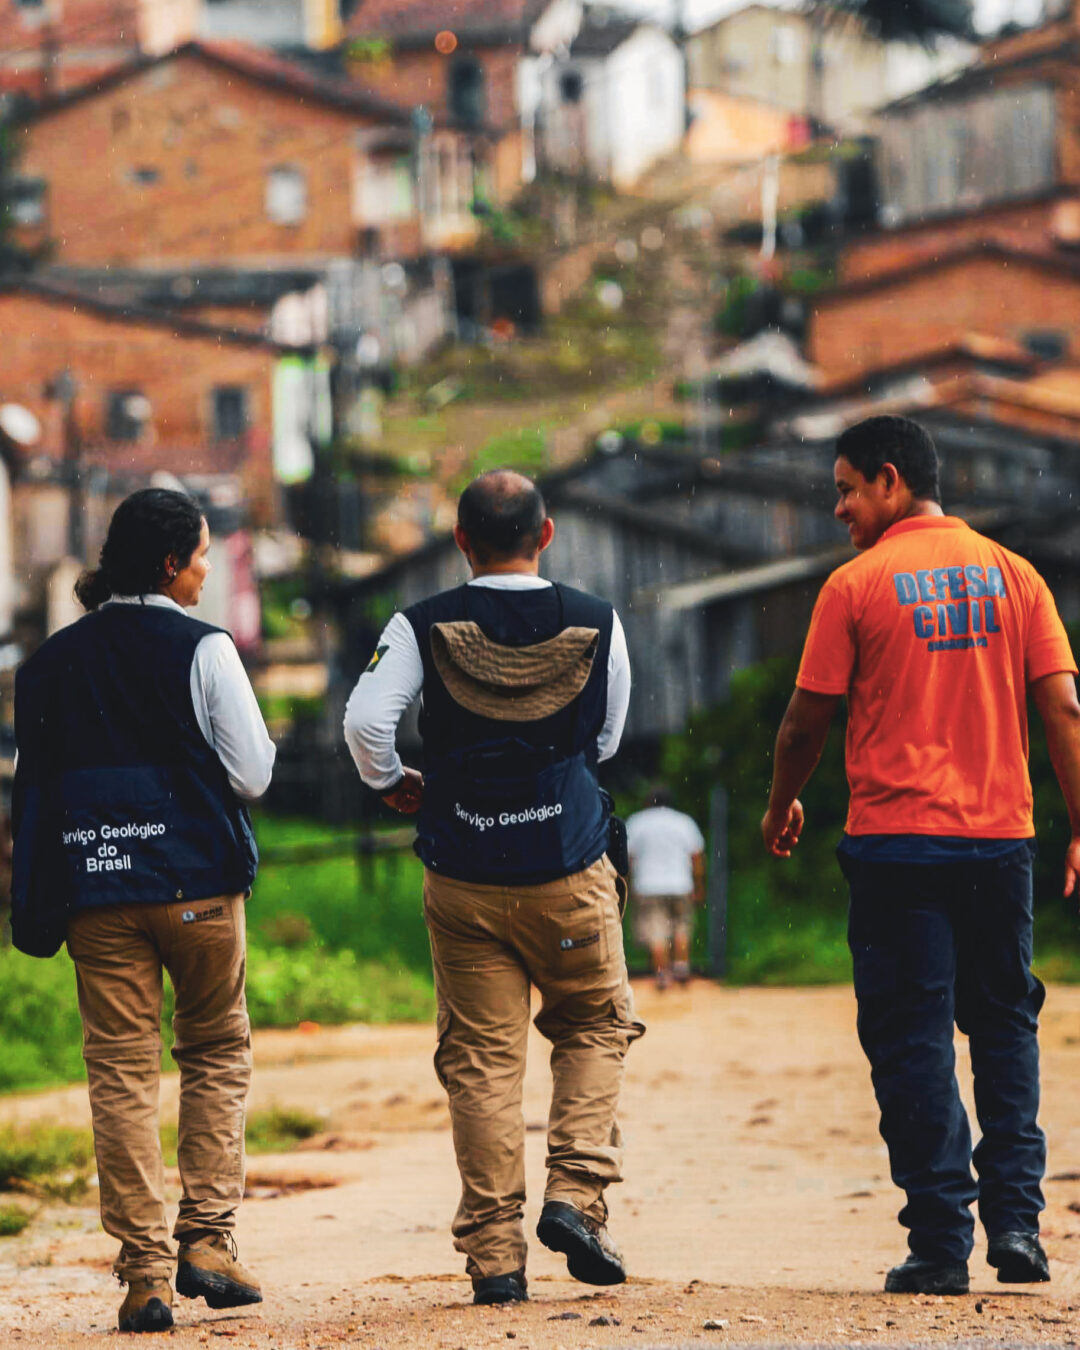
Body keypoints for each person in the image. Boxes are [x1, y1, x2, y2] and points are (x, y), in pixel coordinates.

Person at [761, 415, 1080, 1296]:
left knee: (911, 1040)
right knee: (1005, 1025)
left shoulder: (855, 586)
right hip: (999, 842)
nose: (839, 509)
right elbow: (1063, 711)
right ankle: (1016, 1224)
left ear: (891, 481)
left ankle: (941, 1242)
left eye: (846, 489)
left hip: (897, 846)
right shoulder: (1017, 577)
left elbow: (804, 719)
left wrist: (783, 799)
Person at [344, 469, 644, 1306]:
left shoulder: (420, 624)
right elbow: (607, 739)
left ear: (461, 541)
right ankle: (577, 1197)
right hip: (569, 866)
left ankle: (495, 1256)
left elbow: (367, 723)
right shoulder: (597, 621)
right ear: (546, 535)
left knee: (479, 1059)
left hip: (464, 872)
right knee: (592, 1022)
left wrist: (393, 782)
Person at [11, 489, 275, 1334]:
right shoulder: (204, 649)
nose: (206, 569)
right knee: (214, 1050)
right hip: (198, 887)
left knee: (120, 1073)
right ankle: (207, 1238)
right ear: (170, 564)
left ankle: (145, 1276)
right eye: (201, 556)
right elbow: (254, 775)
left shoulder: (50, 661)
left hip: (98, 888)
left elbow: (37, 789)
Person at [625, 787, 705, 988]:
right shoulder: (684, 822)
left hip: (648, 885)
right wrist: (698, 885)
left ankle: (662, 974)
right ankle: (682, 967)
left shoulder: (637, 822)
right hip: (680, 883)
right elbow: (696, 856)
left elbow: (628, 858)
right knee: (681, 927)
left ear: (647, 802)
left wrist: (626, 885)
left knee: (656, 930)